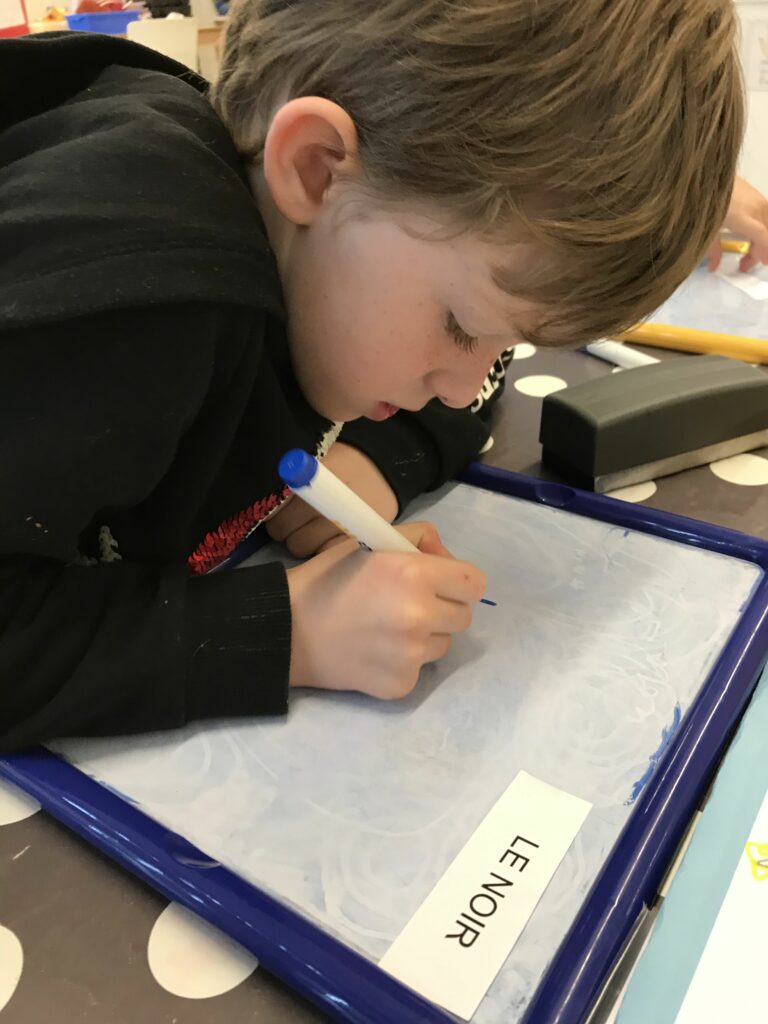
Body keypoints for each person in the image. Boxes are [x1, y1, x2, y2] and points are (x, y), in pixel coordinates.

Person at [0, 1, 746, 751]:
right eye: (460, 328)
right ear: (317, 168)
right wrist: (289, 632)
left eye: (506, 341)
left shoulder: (339, 266)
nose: (463, 386)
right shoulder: (135, 301)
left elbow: (478, 374)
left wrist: (385, 452)